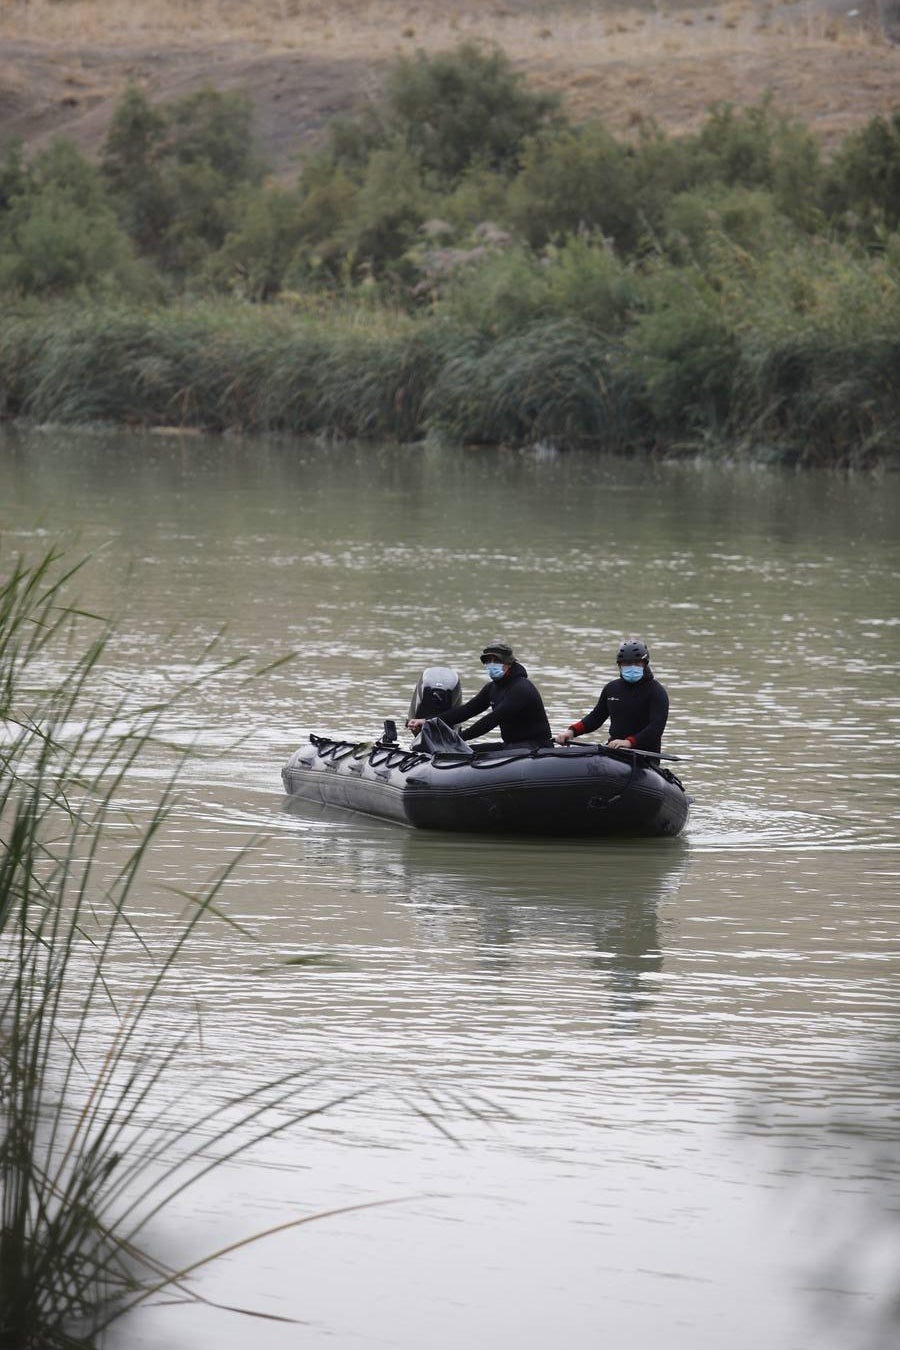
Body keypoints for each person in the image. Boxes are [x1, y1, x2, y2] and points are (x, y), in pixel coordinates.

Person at [407, 640, 553, 750]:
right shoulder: (492, 688)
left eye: (496, 660)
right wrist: (427, 721)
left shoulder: (521, 688)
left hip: (536, 748)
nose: (491, 664)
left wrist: (457, 738)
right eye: (488, 661)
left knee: (461, 751)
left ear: (509, 663)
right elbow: (466, 711)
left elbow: (491, 720)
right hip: (512, 746)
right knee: (464, 752)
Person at [555, 639, 669, 754]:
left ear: (645, 663)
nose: (632, 666)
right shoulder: (612, 688)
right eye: (627, 663)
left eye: (636, 663)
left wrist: (629, 742)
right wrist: (571, 732)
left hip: (644, 755)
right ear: (620, 665)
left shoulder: (656, 691)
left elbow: (656, 728)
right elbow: (596, 717)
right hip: (614, 750)